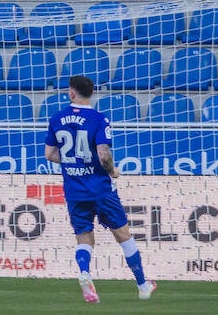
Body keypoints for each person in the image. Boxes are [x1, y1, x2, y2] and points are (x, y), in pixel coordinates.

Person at [45, 75, 156, 302]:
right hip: (101, 189)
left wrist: (72, 163)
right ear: (91, 93)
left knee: (84, 237)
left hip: (74, 190)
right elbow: (104, 155)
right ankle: (143, 285)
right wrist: (113, 171)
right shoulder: (99, 119)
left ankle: (85, 273)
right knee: (123, 234)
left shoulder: (57, 118)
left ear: (71, 93)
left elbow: (49, 154)